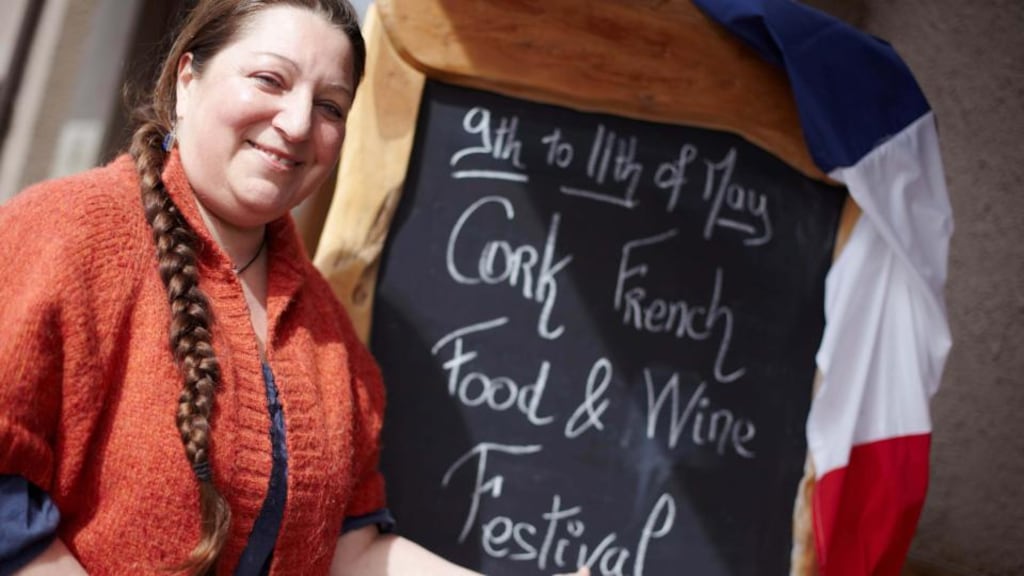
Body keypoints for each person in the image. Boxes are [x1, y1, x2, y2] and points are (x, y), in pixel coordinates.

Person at [0, 1, 589, 575]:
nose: (299, 122)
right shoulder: (64, 231)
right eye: (269, 79)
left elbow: (350, 549)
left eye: (330, 107)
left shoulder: (328, 332)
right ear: (188, 78)